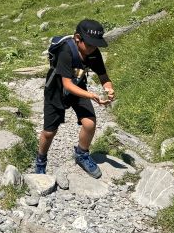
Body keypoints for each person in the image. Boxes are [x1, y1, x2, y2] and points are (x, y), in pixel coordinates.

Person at [35, 19, 115, 178]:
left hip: (79, 86)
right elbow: (67, 84)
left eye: (96, 45)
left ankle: (82, 154)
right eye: (90, 44)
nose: (93, 49)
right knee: (49, 132)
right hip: (56, 91)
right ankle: (40, 161)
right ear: (78, 38)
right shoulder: (66, 51)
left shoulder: (94, 53)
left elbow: (104, 77)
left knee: (90, 123)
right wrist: (92, 95)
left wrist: (109, 89)